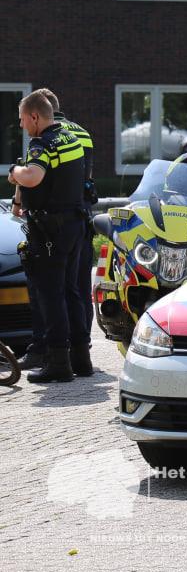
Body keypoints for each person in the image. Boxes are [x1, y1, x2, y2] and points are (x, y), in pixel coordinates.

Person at [7, 91, 87, 382]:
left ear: (35, 117)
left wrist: (16, 172)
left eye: (22, 119)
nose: (21, 126)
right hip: (75, 223)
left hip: (52, 230)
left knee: (50, 295)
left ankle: (58, 364)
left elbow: (34, 177)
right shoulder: (72, 139)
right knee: (72, 291)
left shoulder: (42, 144)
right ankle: (82, 358)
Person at [34, 88, 96, 367]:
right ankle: (81, 352)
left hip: (56, 219)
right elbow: (87, 173)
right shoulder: (80, 133)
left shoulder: (47, 139)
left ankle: (51, 352)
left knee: (50, 290)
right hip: (81, 216)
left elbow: (43, 177)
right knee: (79, 287)